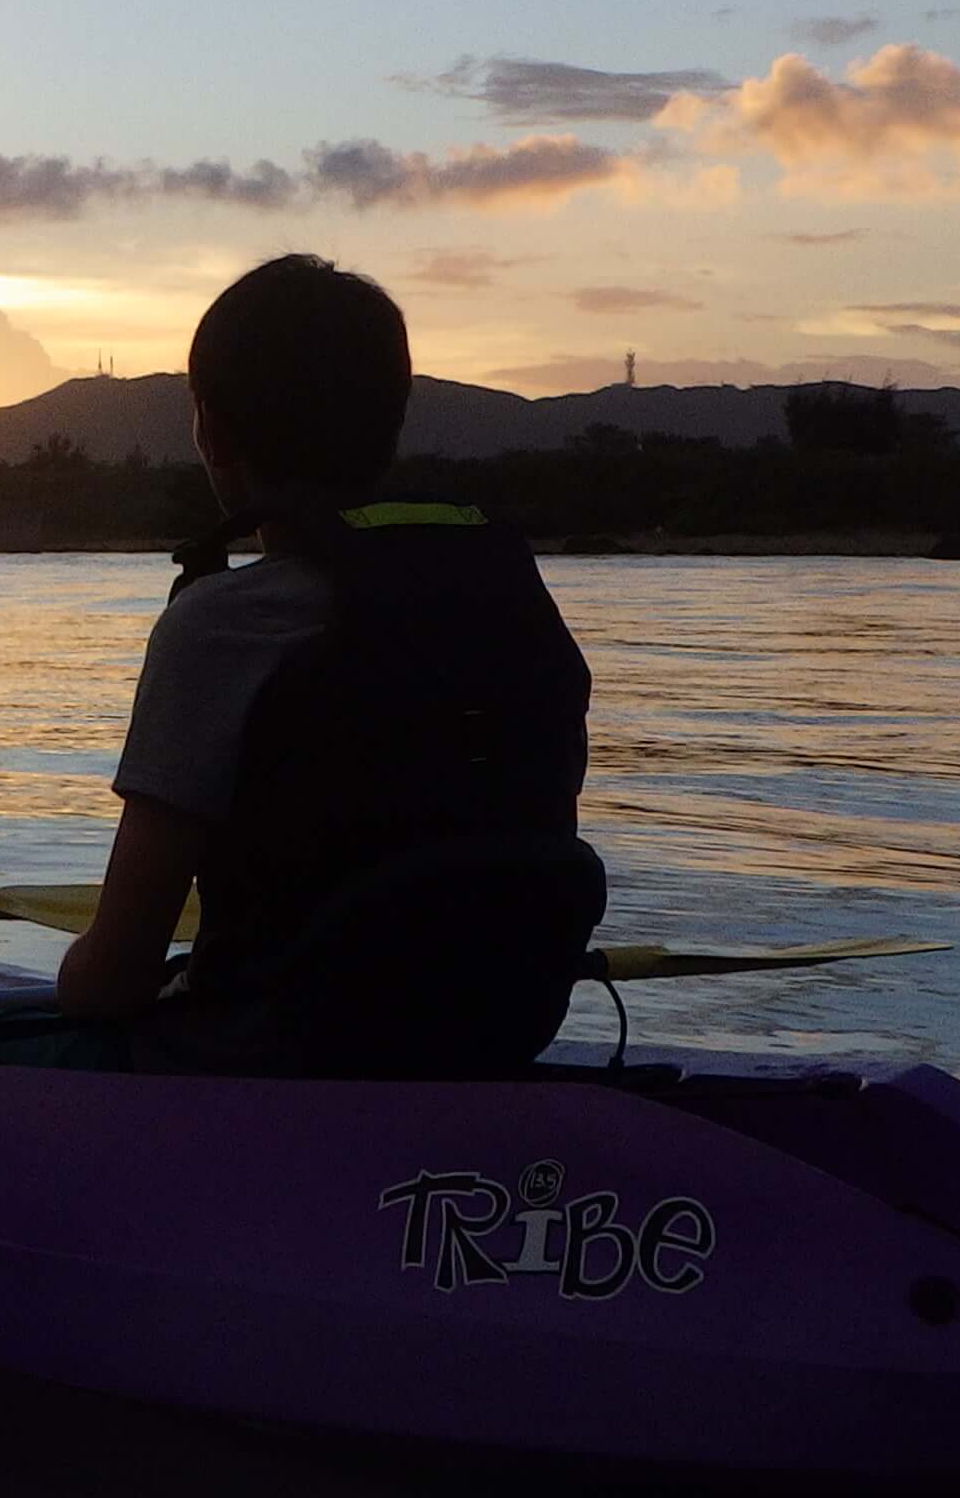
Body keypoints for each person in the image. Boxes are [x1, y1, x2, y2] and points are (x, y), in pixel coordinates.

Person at [48, 253, 600, 1074]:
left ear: (212, 432)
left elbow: (113, 979)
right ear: (389, 425)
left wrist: (70, 984)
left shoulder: (218, 627)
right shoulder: (508, 592)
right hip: (493, 1039)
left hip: (267, 1064)